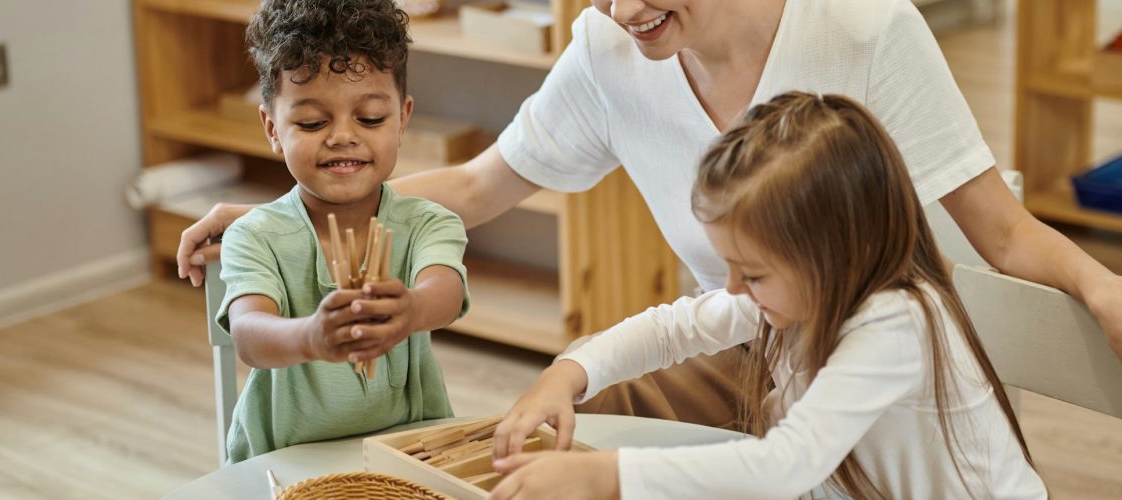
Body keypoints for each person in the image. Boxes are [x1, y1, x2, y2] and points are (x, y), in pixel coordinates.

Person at [181, 0, 1122, 429]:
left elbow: (1000, 232)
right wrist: (286, 215)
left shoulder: (865, 30)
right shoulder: (608, 45)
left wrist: (1100, 285)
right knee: (548, 444)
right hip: (739, 349)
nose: (624, 11)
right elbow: (477, 186)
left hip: (880, 374)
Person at [488, 92, 1047, 499]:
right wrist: (565, 375)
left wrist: (603, 476)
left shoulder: (896, 323)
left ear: (835, 254)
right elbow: (672, 329)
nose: (732, 287)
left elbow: (786, 465)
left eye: (751, 274)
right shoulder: (810, 291)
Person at [215, 0, 469, 463]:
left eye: (370, 117)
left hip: (408, 453)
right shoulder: (254, 235)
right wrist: (312, 337)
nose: (342, 136)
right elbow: (250, 336)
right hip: (288, 461)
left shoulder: (427, 223)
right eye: (312, 122)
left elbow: (445, 293)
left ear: (403, 119)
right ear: (272, 128)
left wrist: (410, 309)